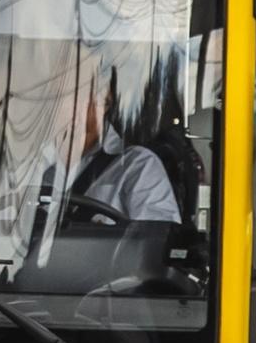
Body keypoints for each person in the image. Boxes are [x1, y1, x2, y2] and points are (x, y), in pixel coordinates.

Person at [64, 70, 182, 226]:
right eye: (60, 98)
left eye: (77, 97)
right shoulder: (35, 163)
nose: (66, 106)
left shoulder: (138, 166)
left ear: (105, 101)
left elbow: (154, 241)